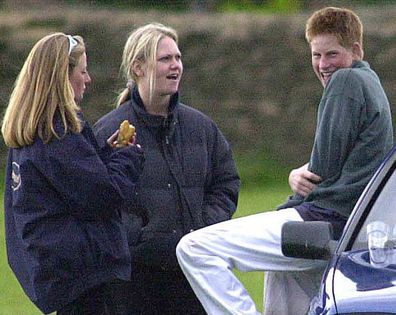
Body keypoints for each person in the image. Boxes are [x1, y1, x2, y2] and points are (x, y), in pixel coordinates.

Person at [176, 6, 394, 315]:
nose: (323, 65)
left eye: (331, 54)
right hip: (343, 227)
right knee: (280, 276)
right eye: (316, 55)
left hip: (320, 222)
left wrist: (296, 181)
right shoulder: (371, 83)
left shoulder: (346, 82)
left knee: (195, 248)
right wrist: (299, 175)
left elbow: (321, 170)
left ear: (356, 50)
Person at [93, 23, 240, 315]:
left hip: (193, 273)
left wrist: (201, 227)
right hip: (134, 282)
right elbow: (99, 198)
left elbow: (226, 182)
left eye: (178, 58)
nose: (176, 66)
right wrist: (139, 235)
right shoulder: (109, 131)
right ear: (138, 67)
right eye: (165, 59)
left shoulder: (201, 128)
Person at [2, 33, 144, 315]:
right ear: (62, 76)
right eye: (82, 71)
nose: (88, 79)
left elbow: (73, 188)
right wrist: (127, 157)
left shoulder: (30, 135)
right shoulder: (59, 134)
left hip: (60, 275)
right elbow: (104, 197)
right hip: (85, 276)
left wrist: (104, 154)